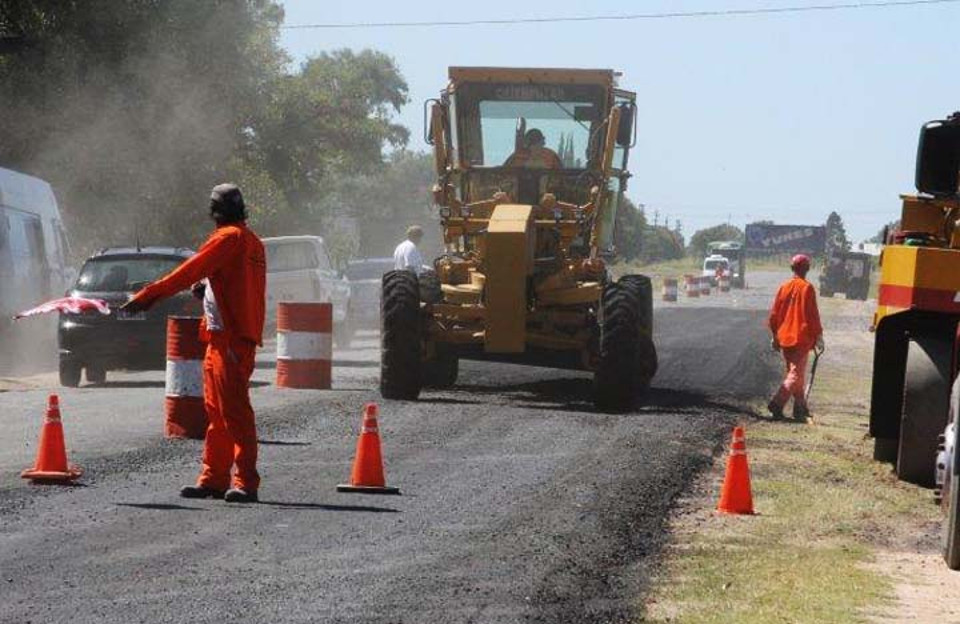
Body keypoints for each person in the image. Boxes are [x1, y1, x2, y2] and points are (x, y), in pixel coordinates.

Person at [122, 183, 266, 503]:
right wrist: (207, 291)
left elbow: (191, 270)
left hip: (229, 339)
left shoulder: (229, 238)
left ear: (215, 212)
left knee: (235, 414)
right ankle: (213, 479)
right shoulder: (251, 241)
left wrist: (149, 295)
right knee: (217, 413)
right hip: (223, 337)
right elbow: (228, 281)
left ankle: (245, 481)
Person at [767, 254, 824, 421]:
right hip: (801, 339)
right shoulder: (807, 288)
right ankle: (777, 403)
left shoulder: (783, 287)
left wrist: (775, 337)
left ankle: (800, 408)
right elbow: (812, 315)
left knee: (795, 374)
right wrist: (819, 335)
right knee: (795, 375)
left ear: (792, 268)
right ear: (807, 269)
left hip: (785, 339)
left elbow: (774, 316)